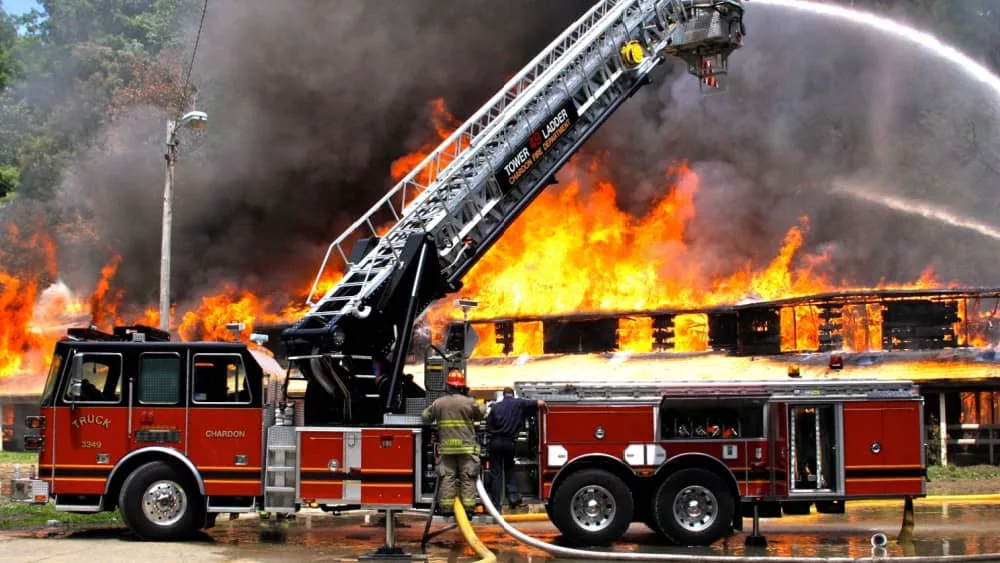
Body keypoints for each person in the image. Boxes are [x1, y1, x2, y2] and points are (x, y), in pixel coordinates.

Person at [421, 369, 486, 514]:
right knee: (467, 478)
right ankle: (469, 509)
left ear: (448, 386)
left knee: (447, 478)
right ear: (462, 386)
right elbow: (482, 413)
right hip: (466, 449)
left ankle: (446, 509)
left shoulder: (439, 403)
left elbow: (425, 416)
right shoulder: (469, 402)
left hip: (446, 449)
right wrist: (472, 399)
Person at [486, 387, 545, 509]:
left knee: (496, 473)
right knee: (509, 469)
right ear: (513, 395)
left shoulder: (495, 406)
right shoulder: (519, 403)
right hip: (509, 443)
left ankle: (496, 505)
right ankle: (512, 497)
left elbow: (488, 425)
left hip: (495, 442)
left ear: (503, 395)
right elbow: (540, 403)